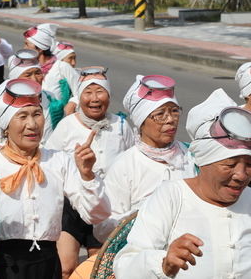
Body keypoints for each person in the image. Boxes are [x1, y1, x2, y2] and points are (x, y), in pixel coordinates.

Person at [0, 78, 111, 279]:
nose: (32, 124)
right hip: (0, 265)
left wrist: (87, 175)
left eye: (37, 114)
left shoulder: (59, 161)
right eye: (22, 116)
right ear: (5, 126)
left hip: (47, 264)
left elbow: (97, 215)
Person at [114, 88, 251, 279]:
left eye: (249, 165)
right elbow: (125, 266)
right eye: (230, 165)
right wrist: (163, 264)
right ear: (204, 161)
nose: (241, 175)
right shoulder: (172, 197)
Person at [45, 67, 135, 278]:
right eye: (88, 92)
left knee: (98, 269)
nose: (94, 98)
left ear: (109, 95)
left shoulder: (121, 126)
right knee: (66, 268)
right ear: (79, 96)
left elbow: (132, 160)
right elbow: (49, 164)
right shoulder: (66, 126)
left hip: (107, 207)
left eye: (99, 92)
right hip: (72, 207)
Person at [93, 74, 197, 243]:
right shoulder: (126, 166)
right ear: (141, 121)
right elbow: (102, 231)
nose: (170, 120)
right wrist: (144, 213)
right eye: (160, 114)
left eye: (174, 111)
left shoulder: (191, 156)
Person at [0, 49, 55, 145]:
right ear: (15, 80)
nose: (34, 79)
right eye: (28, 75)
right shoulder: (4, 99)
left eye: (37, 73)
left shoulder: (48, 99)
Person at [42, 41, 79, 127]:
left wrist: (72, 103)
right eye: (70, 58)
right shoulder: (47, 69)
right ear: (60, 58)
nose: (73, 63)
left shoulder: (63, 67)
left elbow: (80, 90)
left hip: (60, 116)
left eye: (74, 58)